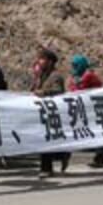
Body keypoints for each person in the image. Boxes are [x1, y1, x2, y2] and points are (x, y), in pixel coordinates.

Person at [32, 49, 69, 178]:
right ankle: (58, 157)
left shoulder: (55, 76)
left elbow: (59, 91)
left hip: (53, 112)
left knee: (47, 140)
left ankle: (47, 168)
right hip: (42, 112)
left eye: (42, 59)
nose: (39, 61)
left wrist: (44, 93)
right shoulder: (40, 76)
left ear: (50, 61)